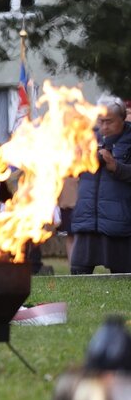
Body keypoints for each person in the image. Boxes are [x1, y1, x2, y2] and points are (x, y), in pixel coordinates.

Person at [70, 98, 131, 275]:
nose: (103, 126)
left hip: (118, 220)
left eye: (109, 121)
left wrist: (116, 167)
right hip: (87, 216)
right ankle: (78, 303)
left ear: (122, 118)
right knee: (78, 271)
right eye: (100, 121)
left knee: (122, 276)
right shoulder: (87, 137)